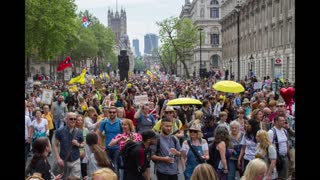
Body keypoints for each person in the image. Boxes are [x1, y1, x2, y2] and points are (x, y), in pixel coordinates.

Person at [52, 112, 84, 178]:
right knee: (64, 178)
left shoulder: (79, 131)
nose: (73, 121)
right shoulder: (59, 131)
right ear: (66, 120)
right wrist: (58, 158)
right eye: (71, 119)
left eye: (75, 119)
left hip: (76, 160)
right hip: (64, 160)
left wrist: (78, 144)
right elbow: (55, 145)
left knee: (75, 178)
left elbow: (82, 144)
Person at [97, 106, 123, 176]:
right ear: (108, 113)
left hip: (117, 148)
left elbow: (125, 135)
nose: (112, 114)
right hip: (107, 148)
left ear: (116, 113)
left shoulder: (120, 122)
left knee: (116, 167)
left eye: (114, 112)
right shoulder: (104, 122)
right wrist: (100, 146)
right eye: (110, 112)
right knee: (108, 168)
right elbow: (98, 133)